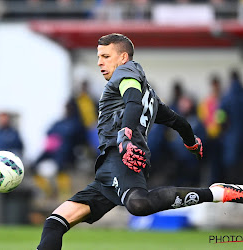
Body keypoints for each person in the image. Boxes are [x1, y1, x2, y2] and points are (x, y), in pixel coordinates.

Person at [36, 33, 243, 250]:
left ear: (123, 57)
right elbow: (178, 121)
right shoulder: (150, 96)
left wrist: (125, 137)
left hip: (123, 156)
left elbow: (133, 101)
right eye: (99, 57)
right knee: (55, 222)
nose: (99, 62)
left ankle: (217, 192)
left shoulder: (126, 73)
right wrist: (191, 141)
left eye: (106, 56)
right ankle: (216, 192)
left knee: (138, 204)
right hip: (107, 172)